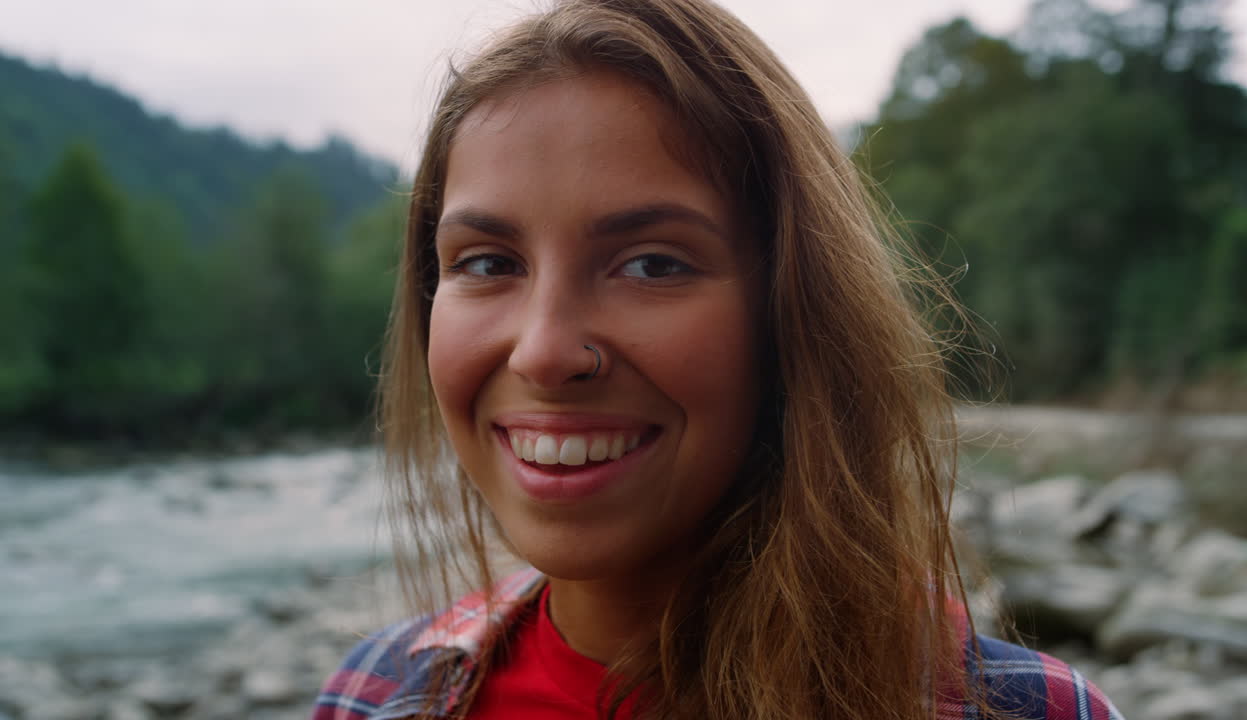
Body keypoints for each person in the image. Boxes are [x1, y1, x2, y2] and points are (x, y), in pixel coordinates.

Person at [313, 1, 1125, 718]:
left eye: (653, 263)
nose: (545, 351)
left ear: (795, 313)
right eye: (487, 263)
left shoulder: (1019, 713)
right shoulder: (372, 696)